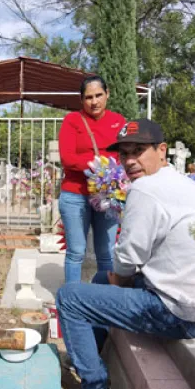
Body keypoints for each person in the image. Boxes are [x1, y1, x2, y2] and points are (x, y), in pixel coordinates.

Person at [57, 119, 195, 389]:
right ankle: (87, 356)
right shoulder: (184, 183)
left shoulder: (147, 189)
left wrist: (119, 281)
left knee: (69, 298)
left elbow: (128, 258)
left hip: (178, 312)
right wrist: (115, 279)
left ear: (162, 151)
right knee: (98, 279)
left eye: (138, 151)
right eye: (124, 154)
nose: (130, 161)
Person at [58, 75, 126, 284]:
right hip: (75, 196)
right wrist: (103, 166)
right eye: (88, 97)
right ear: (81, 100)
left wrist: (108, 169)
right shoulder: (72, 121)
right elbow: (67, 158)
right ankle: (72, 302)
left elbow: (125, 154)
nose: (94, 101)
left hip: (107, 197)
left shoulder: (118, 121)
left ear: (107, 94)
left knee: (106, 252)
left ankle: (103, 300)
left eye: (98, 95)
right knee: (76, 252)